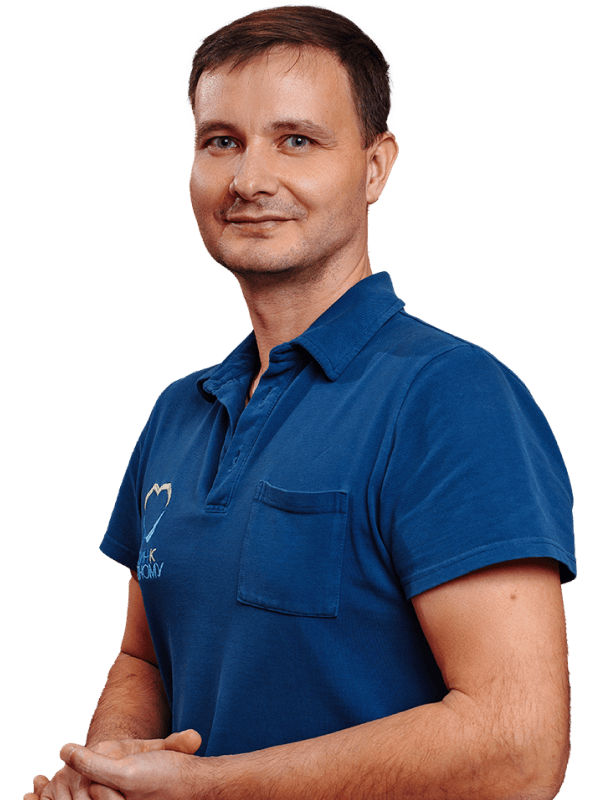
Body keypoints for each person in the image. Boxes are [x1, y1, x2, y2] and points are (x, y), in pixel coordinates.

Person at [26, 3, 576, 799]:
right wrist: (110, 769)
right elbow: (144, 656)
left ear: (375, 167)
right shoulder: (179, 413)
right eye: (221, 141)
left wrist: (205, 787)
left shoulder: (451, 398)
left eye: (297, 141)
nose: (249, 180)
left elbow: (517, 751)